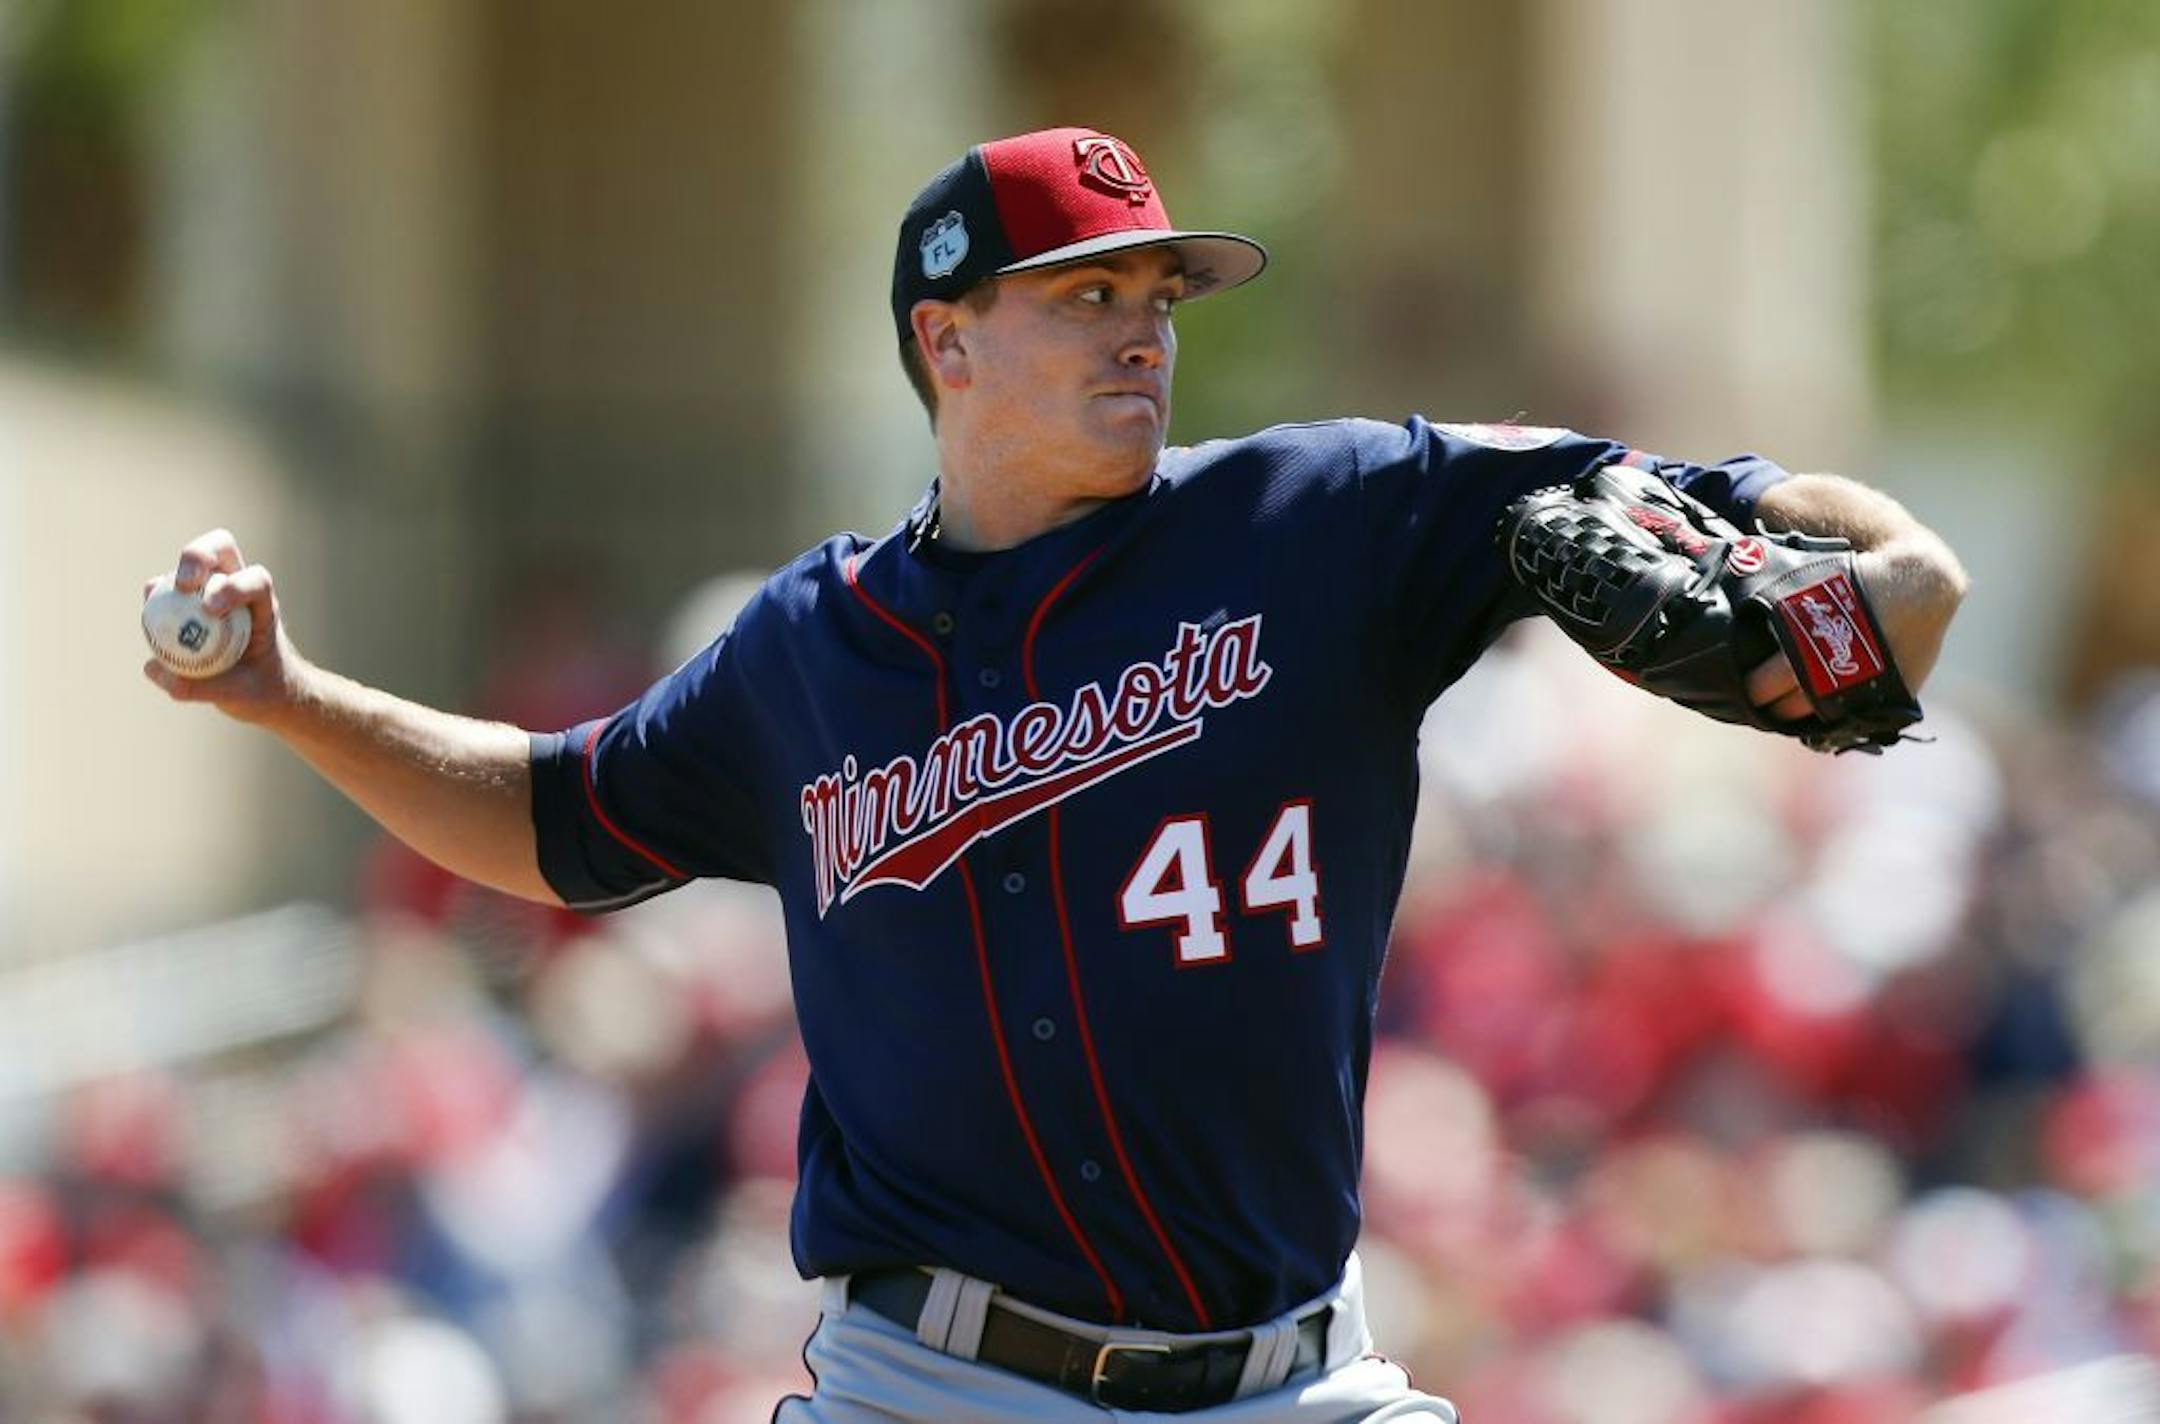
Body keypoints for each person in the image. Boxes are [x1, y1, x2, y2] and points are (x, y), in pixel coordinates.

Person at [147, 127, 1968, 1421]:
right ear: (946, 341)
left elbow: (1857, 562)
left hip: (1292, 1378)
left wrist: (1859, 596)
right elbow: (555, 819)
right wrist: (291, 695)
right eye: (1085, 291)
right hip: (941, 1385)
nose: (1143, 324)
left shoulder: (1332, 514)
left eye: (1159, 289)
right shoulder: (808, 653)